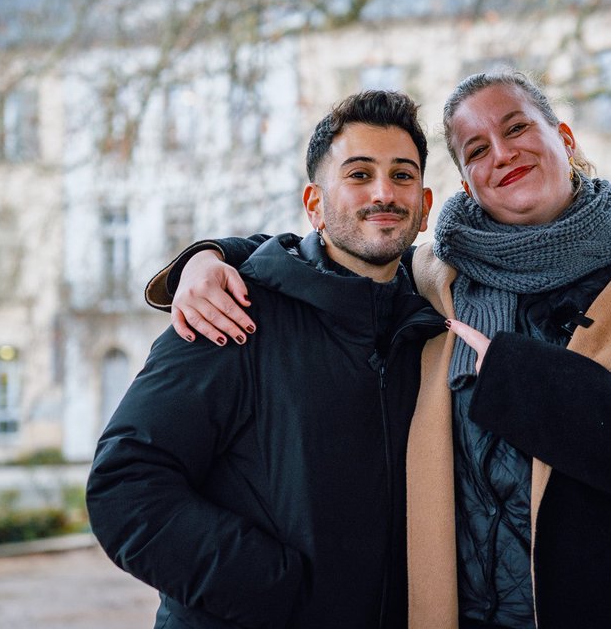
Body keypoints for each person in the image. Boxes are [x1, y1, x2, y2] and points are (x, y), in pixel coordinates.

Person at [150, 71, 611, 629]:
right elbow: (335, 244)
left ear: (562, 138)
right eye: (476, 149)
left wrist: (522, 377)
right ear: (466, 182)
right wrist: (211, 257)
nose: (502, 153)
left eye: (516, 128)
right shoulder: (431, 279)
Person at [87, 90, 445, 629]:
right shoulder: (230, 311)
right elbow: (125, 487)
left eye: (402, 175)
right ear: (314, 204)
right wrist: (280, 592)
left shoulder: (429, 327)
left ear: (424, 206)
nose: (383, 192)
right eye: (358, 174)